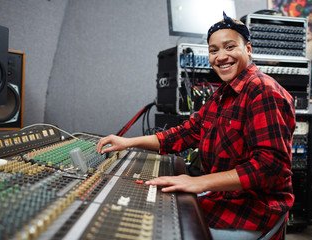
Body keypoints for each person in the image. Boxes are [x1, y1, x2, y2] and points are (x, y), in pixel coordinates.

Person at [97, 12, 295, 240]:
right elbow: (184, 133)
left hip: (253, 210)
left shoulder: (263, 91)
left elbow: (268, 167)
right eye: (214, 50)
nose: (221, 56)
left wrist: (197, 183)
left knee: (161, 231)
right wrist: (128, 142)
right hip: (224, 197)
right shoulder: (222, 95)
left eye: (230, 47)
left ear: (248, 49)